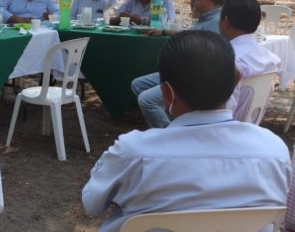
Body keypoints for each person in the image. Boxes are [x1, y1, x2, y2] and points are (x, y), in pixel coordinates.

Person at [82, 31, 290, 232]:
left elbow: (92, 203)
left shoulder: (132, 153)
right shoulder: (275, 152)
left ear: (166, 93)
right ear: (237, 79)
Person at [131, 0, 228, 128]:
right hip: (186, 72)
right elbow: (189, 34)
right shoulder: (207, 18)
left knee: (147, 100)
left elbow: (206, 59)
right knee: (138, 84)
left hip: (194, 78)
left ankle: (171, 135)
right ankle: (175, 124)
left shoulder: (216, 22)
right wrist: (163, 31)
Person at [219, 0, 280, 120]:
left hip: (221, 133)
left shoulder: (227, 60)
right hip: (250, 129)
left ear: (225, 22)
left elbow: (221, 111)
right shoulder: (270, 59)